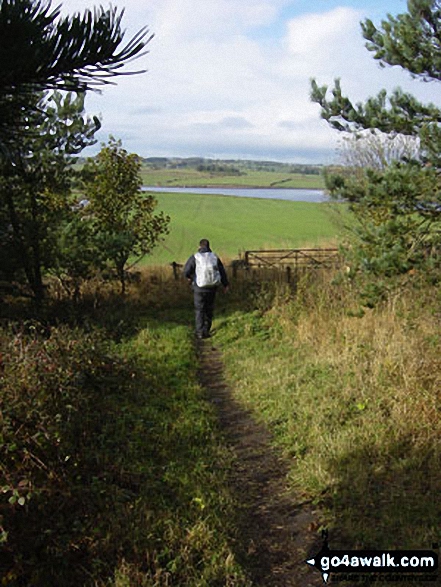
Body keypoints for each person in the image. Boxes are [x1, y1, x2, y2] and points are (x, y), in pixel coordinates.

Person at [183, 239, 229, 339]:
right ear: (209, 246)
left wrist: (190, 278)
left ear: (200, 246)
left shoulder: (195, 257)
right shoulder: (214, 257)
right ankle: (206, 331)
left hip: (199, 288)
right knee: (209, 309)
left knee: (199, 310)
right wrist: (225, 285)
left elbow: (186, 271)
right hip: (212, 287)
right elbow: (222, 272)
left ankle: (199, 332)